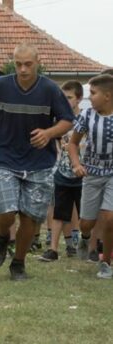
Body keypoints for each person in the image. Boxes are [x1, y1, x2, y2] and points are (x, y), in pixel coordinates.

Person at [0, 43, 74, 280]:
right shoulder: (1, 86)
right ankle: (2, 236)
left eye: (28, 64)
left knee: (31, 218)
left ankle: (18, 264)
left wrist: (49, 133)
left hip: (40, 162)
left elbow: (67, 120)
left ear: (37, 62)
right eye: (18, 64)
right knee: (6, 210)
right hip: (4, 157)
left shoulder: (50, 89)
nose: (22, 69)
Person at [69, 74, 113, 278]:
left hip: (112, 174)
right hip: (92, 175)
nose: (90, 97)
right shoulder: (87, 115)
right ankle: (85, 237)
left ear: (107, 96)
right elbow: (72, 143)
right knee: (87, 222)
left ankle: (106, 262)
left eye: (93, 93)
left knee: (110, 218)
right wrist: (76, 164)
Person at [39, 80, 84, 262]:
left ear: (79, 99)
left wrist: (76, 147)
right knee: (59, 212)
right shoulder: (60, 121)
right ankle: (53, 249)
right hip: (62, 173)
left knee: (86, 215)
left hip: (83, 174)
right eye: (63, 98)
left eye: (69, 98)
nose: (65, 101)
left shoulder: (85, 118)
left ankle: (89, 244)